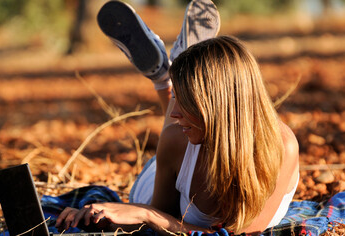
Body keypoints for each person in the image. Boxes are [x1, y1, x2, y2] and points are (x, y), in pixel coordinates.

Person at [55, 0, 299, 235]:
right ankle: (172, 74)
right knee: (175, 130)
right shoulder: (175, 139)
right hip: (168, 166)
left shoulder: (280, 148)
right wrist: (94, 219)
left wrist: (146, 214)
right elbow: (159, 217)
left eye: (186, 102)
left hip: (195, 142)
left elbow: (240, 235)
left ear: (218, 105)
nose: (172, 112)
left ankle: (167, 79)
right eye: (177, 99)